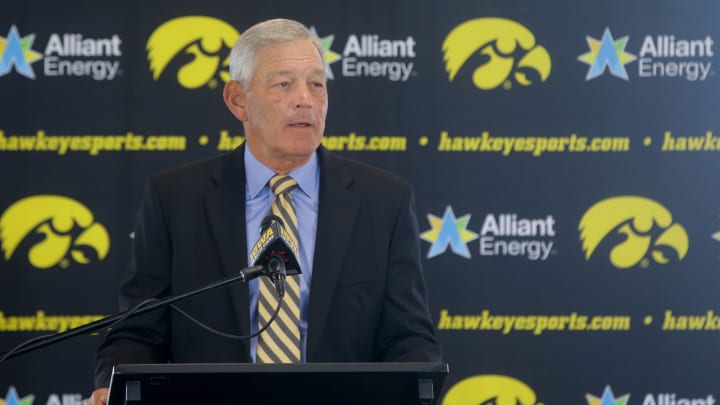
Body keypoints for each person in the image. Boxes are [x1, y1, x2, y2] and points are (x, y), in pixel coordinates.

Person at [88, 18, 441, 404]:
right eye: (284, 84)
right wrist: (113, 388)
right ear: (238, 100)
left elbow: (410, 339)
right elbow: (138, 331)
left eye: (317, 84)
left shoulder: (383, 200)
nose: (305, 99)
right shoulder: (176, 198)